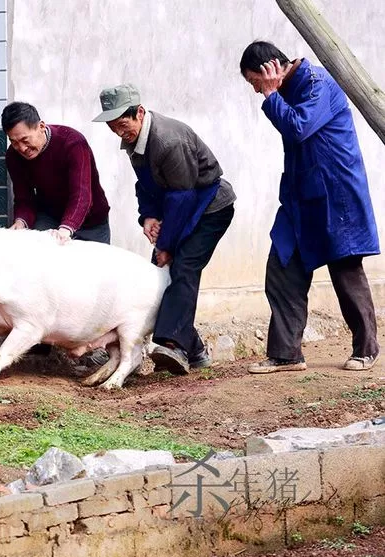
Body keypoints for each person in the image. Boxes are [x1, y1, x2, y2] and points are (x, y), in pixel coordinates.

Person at [240, 41, 380, 374]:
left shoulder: (318, 83)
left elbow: (298, 128)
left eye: (254, 81)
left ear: (270, 69)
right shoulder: (288, 90)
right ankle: (286, 354)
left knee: (345, 269)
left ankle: (367, 348)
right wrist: (275, 96)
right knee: (282, 265)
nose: (256, 89)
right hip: (300, 197)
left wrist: (271, 96)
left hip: (335, 194)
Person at [94, 83, 235, 375]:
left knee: (183, 267)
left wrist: (166, 246)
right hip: (181, 207)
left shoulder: (169, 140)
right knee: (157, 277)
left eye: (123, 124)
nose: (120, 131)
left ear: (140, 113)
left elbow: (182, 198)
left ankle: (175, 347)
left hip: (210, 208)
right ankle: (195, 350)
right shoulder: (134, 141)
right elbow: (146, 186)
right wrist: (147, 217)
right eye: (112, 126)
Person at [2, 101, 111, 244]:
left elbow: (82, 195)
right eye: (14, 142)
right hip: (50, 217)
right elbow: (24, 198)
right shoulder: (13, 156)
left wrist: (66, 228)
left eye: (25, 140)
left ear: (41, 126)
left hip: (92, 221)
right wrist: (21, 222)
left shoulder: (73, 143)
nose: (22, 148)